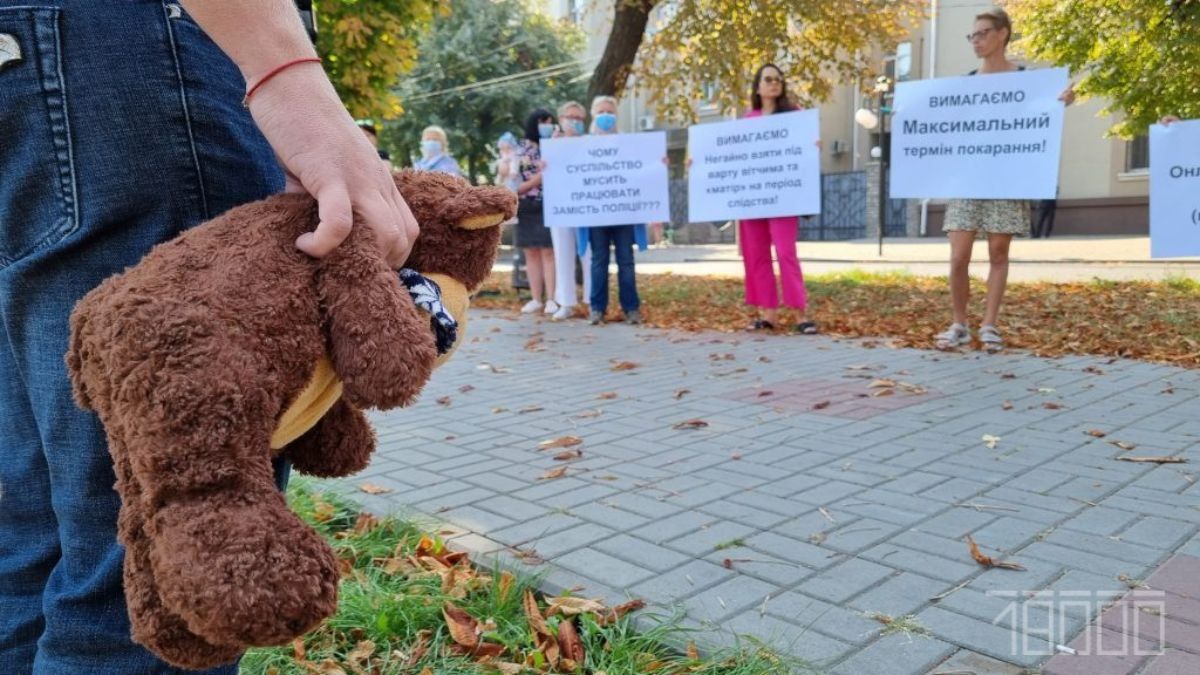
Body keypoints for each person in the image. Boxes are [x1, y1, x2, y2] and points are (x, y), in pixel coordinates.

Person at [0, 2, 419, 673]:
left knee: (32, 548)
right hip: (133, 60)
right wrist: (285, 71)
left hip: (34, 72)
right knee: (155, 587)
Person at [935, 8, 1074, 352]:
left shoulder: (1028, 82)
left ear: (1003, 34)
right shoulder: (965, 84)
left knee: (998, 252)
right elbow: (945, 126)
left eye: (982, 33)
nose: (976, 41)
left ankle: (989, 324)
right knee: (958, 256)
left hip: (1007, 179)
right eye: (972, 35)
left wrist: (1062, 103)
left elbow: (1042, 117)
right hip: (967, 179)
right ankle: (959, 323)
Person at [738, 64, 817, 334]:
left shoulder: (794, 116)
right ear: (758, 87)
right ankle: (768, 314)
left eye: (778, 80)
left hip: (783, 197)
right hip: (753, 198)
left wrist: (812, 144)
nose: (774, 84)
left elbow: (805, 147)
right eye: (768, 79)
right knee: (757, 255)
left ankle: (800, 314)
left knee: (786, 252)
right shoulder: (749, 120)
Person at [587, 96, 644, 325]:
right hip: (595, 214)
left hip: (623, 213)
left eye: (610, 112)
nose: (605, 116)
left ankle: (631, 309)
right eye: (601, 111)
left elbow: (643, 169)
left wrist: (659, 163)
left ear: (616, 116)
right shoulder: (584, 145)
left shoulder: (628, 144)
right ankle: (597, 309)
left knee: (626, 261)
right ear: (593, 115)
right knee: (599, 262)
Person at [547, 100, 590, 320]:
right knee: (563, 254)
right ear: (561, 120)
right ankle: (566, 302)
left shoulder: (590, 143)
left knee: (590, 255)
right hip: (561, 206)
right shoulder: (551, 144)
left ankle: (593, 300)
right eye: (570, 117)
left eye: (579, 118)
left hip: (587, 207)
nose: (574, 122)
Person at [514, 109, 559, 315]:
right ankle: (535, 298)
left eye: (550, 123)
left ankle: (551, 298)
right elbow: (514, 184)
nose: (547, 126)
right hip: (527, 206)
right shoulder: (521, 150)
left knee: (548, 252)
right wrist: (539, 178)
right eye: (544, 122)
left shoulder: (556, 146)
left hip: (551, 204)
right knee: (530, 252)